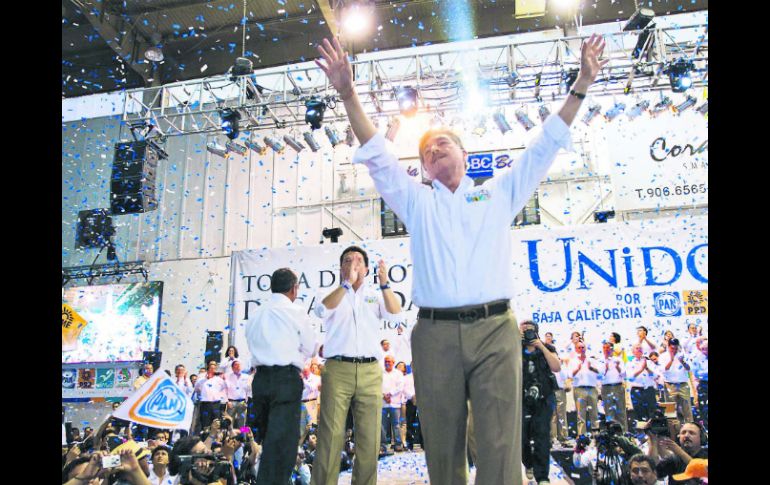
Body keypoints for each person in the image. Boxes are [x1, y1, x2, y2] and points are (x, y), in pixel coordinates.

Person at [314, 32, 607, 485]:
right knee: (443, 443)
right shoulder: (416, 202)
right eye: (427, 151)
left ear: (465, 156)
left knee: (500, 444)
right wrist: (349, 93)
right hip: (433, 334)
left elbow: (545, 144)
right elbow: (376, 155)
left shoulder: (499, 192)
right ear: (424, 169)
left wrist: (582, 83)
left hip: (494, 330)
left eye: (443, 144)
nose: (433, 151)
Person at [310, 248, 401, 485]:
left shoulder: (376, 294)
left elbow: (395, 315)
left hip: (370, 371)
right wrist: (346, 285)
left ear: (367, 269)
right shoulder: (332, 293)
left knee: (369, 439)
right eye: (348, 261)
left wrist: (385, 284)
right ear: (340, 268)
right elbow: (321, 310)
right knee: (330, 436)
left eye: (359, 261)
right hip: (338, 369)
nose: (354, 264)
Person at [243, 267, 317, 485]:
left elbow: (250, 341)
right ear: (294, 288)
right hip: (285, 379)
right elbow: (310, 346)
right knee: (282, 446)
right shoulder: (296, 311)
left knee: (268, 442)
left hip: (261, 381)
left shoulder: (256, 313)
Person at [520, 321, 561, 485]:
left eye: (529, 330)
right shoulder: (514, 350)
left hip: (544, 397)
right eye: (523, 331)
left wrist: (541, 346)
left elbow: (556, 367)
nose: (527, 333)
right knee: (521, 435)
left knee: (542, 436)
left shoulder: (547, 348)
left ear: (536, 331)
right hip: (521, 398)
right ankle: (528, 463)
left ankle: (542, 476)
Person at [657, 339, 694, 423]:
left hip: (683, 384)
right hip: (669, 384)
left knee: (687, 409)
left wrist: (683, 362)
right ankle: (673, 432)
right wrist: (671, 359)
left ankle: (690, 429)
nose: (674, 350)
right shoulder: (663, 356)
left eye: (675, 348)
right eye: (672, 348)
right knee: (670, 411)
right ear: (668, 346)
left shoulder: (683, 355)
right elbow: (663, 369)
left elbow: (689, 369)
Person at [569, 341, 601, 437]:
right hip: (579, 389)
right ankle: (582, 437)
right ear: (575, 349)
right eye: (579, 348)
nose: (581, 349)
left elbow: (599, 373)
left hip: (592, 388)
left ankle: (597, 436)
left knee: (594, 413)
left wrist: (591, 368)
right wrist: (577, 369)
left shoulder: (592, 360)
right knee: (580, 415)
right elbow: (570, 375)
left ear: (585, 348)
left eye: (583, 347)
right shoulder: (573, 361)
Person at [597, 340, 628, 432]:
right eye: (604, 348)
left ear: (612, 349)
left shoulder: (618, 360)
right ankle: (612, 434)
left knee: (621, 411)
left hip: (618, 386)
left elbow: (624, 375)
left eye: (608, 348)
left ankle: (624, 433)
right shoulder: (600, 361)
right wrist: (605, 369)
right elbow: (599, 377)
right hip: (606, 388)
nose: (606, 350)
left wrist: (618, 367)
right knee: (609, 412)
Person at [627, 344, 659, 426]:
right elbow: (630, 377)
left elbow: (655, 376)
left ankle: (653, 434)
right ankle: (642, 434)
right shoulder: (630, 363)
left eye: (640, 348)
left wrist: (647, 368)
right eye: (637, 348)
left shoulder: (649, 362)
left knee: (652, 413)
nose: (639, 350)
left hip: (649, 390)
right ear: (633, 351)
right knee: (639, 413)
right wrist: (641, 369)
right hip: (636, 390)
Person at [380, 355, 405, 454]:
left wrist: (390, 394)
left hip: (395, 403)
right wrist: (384, 396)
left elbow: (400, 387)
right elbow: (377, 385)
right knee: (382, 426)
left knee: (396, 425)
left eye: (389, 361)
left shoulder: (398, 373)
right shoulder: (381, 373)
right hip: (383, 403)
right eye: (386, 361)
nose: (387, 363)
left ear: (393, 362)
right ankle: (383, 445)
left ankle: (398, 444)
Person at [194, 361, 227, 429]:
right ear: (208, 369)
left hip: (216, 404)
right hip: (205, 404)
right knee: (205, 423)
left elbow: (224, 388)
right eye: (211, 368)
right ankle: (205, 438)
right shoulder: (201, 379)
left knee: (216, 423)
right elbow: (196, 389)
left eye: (214, 369)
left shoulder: (219, 379)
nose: (212, 370)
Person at [224, 360, 252, 428]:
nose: (238, 366)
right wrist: (227, 401)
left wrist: (246, 401)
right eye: (236, 365)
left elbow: (249, 389)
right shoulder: (227, 376)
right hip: (231, 402)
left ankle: (243, 437)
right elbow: (224, 389)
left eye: (239, 365)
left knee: (243, 422)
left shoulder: (246, 377)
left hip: (242, 402)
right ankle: (229, 437)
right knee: (229, 421)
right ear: (232, 367)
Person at [551, 357, 571, 446]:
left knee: (561, 414)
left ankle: (563, 437)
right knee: (552, 415)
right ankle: (553, 437)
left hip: (560, 390)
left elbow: (566, 377)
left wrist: (561, 365)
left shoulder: (562, 367)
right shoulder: (548, 366)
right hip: (550, 391)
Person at [690, 339, 708, 430]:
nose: (705, 351)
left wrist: (704, 373)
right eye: (703, 349)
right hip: (704, 384)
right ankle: (706, 428)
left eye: (707, 348)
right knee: (703, 407)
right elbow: (697, 374)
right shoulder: (697, 359)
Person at [300, 364, 322, 435]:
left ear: (309, 370)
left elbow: (312, 388)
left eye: (306, 371)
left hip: (311, 402)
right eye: (304, 371)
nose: (305, 372)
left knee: (312, 425)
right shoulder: (302, 378)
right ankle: (302, 444)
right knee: (302, 425)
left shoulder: (317, 378)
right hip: (301, 403)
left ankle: (313, 442)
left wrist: (303, 380)